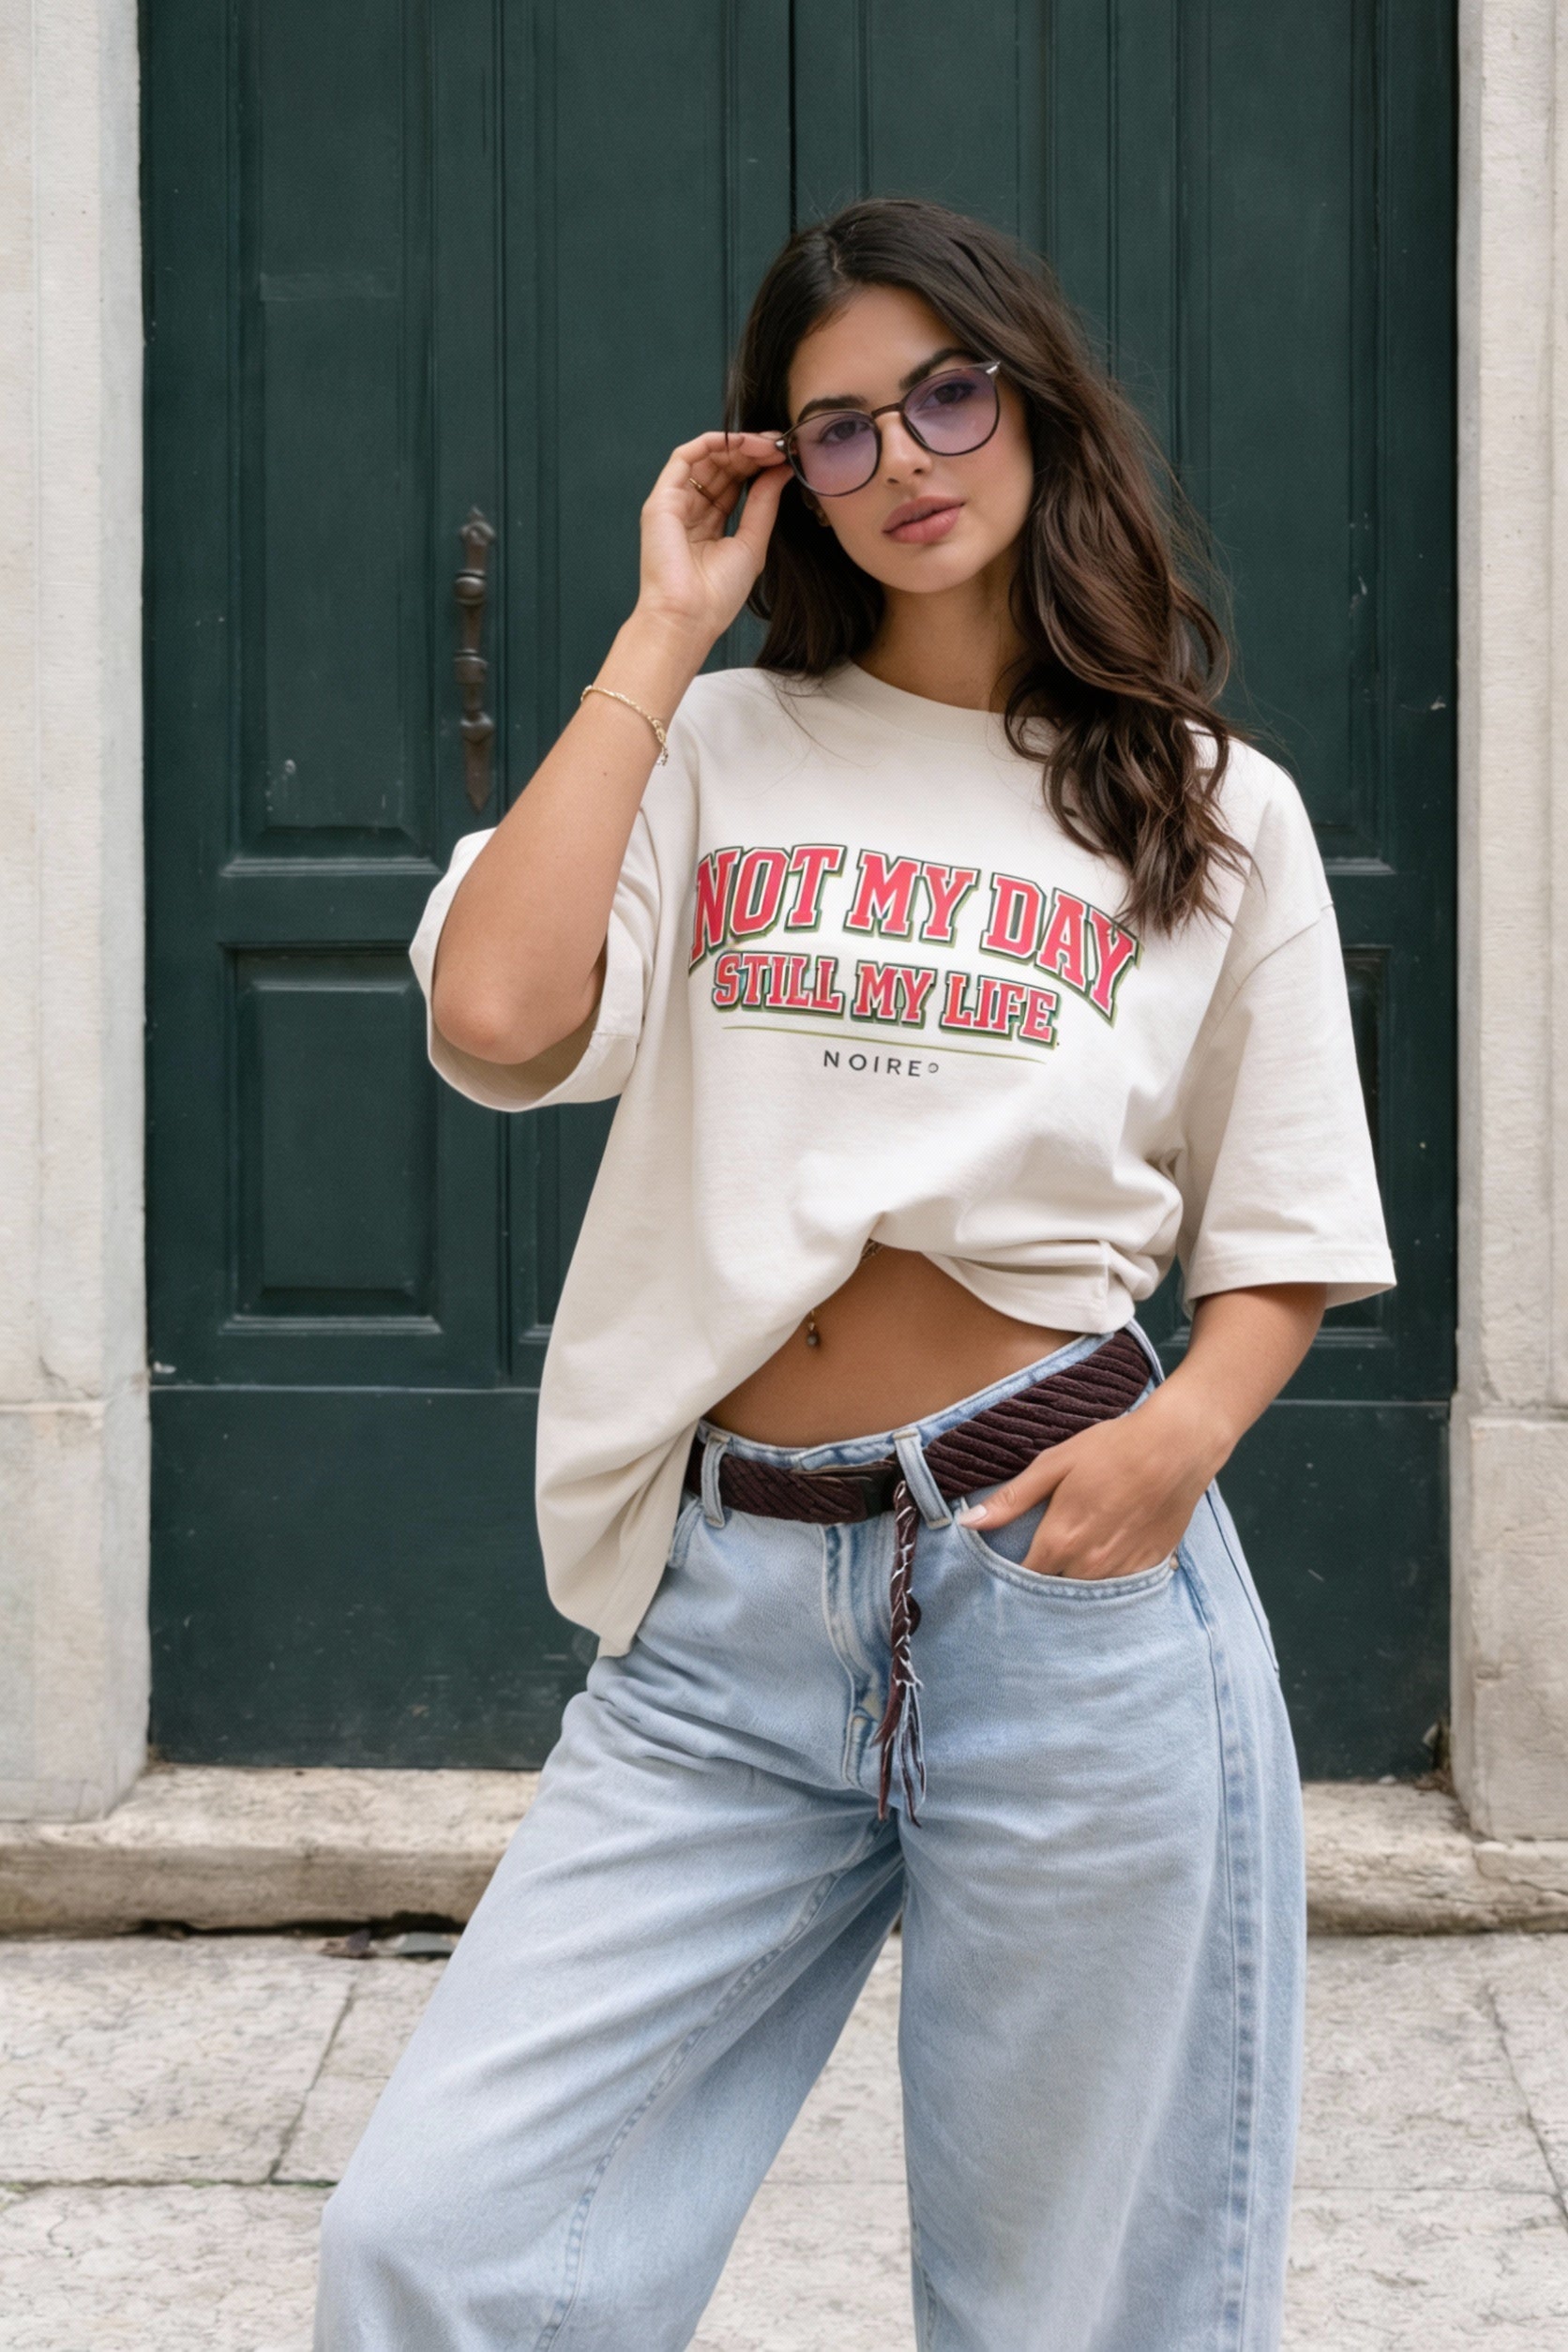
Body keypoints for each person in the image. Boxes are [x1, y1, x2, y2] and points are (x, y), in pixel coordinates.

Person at [314, 197, 1394, 2352]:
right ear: (774, 477)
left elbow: (1280, 1231)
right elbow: (504, 1020)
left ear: (1032, 407)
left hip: (1059, 1591)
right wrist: (656, 634)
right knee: (437, 2242)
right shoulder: (716, 750)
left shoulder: (1204, 809)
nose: (904, 457)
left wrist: (1175, 1440)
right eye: (834, 429)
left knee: (1067, 2310)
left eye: (946, 395)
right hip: (723, 1633)